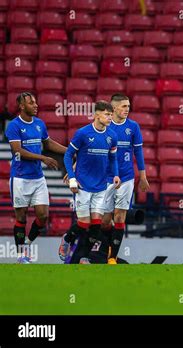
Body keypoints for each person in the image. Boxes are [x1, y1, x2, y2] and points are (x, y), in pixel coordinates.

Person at [5, 92, 67, 263]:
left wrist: (70, 150)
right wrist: (43, 158)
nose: (36, 105)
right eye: (31, 102)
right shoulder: (14, 126)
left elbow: (48, 143)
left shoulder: (39, 124)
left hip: (38, 178)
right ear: (22, 106)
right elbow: (18, 150)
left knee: (43, 216)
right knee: (21, 217)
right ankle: (20, 256)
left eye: (35, 102)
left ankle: (27, 243)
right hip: (20, 178)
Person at [59, 101, 120, 264]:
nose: (110, 117)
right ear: (97, 115)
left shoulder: (112, 136)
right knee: (83, 223)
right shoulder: (82, 133)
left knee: (96, 224)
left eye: (111, 114)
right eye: (107, 114)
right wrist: (72, 178)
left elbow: (113, 158)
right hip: (83, 186)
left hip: (101, 186)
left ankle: (84, 257)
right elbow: (68, 155)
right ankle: (67, 237)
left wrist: (116, 175)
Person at [100, 94, 150, 264]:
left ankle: (112, 257)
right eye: (123, 106)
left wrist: (142, 176)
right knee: (105, 220)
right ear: (113, 108)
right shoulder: (105, 126)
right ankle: (105, 249)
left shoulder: (133, 127)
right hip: (106, 178)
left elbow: (138, 152)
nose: (127, 109)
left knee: (120, 217)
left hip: (127, 177)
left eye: (128, 106)